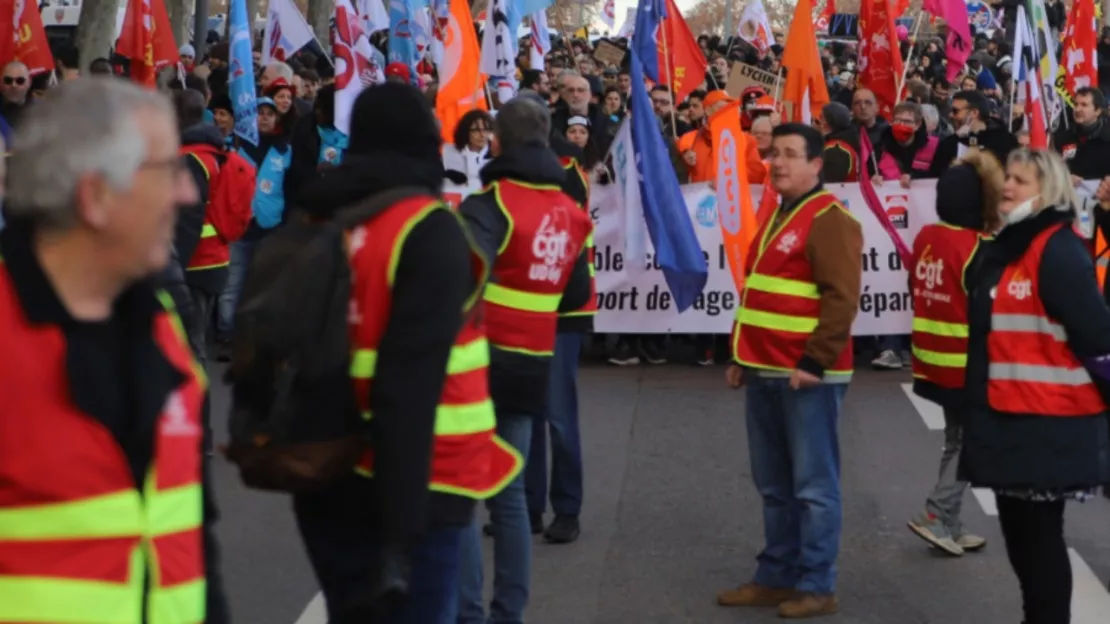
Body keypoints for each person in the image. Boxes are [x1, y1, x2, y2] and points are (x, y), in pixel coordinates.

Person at [289, 82, 523, 623]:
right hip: (422, 476)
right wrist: (401, 530)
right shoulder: (426, 228)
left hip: (331, 469)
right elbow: (409, 385)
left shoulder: (323, 219)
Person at [0, 77, 229, 623]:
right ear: (95, 196)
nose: (187, 194)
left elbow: (193, 533)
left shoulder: (162, 327)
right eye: (165, 172)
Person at [456, 95, 593, 624]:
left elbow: (461, 279)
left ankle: (467, 613)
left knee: (464, 490)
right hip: (533, 360)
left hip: (480, 362)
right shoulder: (573, 213)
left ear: (497, 141)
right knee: (509, 494)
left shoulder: (490, 204)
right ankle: (507, 613)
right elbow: (576, 293)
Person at [960, 147, 1110, 624]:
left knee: (1039, 542)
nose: (1008, 185)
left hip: (1050, 422)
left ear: (1048, 191)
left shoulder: (1056, 247)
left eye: (1021, 180)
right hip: (1009, 417)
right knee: (1021, 542)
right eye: (1008, 175)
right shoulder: (1007, 245)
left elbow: (1096, 336)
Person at [719, 123, 863, 618]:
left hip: (803, 374)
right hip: (765, 368)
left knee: (813, 488)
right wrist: (741, 355)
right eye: (773, 153)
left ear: (816, 165)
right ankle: (776, 576)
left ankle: (817, 585)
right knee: (775, 485)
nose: (776, 162)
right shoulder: (783, 215)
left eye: (790, 155)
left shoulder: (829, 219)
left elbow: (842, 299)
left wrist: (814, 361)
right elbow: (760, 291)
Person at [905, 150, 1002, 556]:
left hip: (931, 360)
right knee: (972, 442)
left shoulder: (928, 236)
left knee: (956, 439)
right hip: (967, 363)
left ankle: (950, 521)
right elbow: (995, 313)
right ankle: (937, 512)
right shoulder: (981, 248)